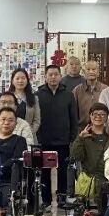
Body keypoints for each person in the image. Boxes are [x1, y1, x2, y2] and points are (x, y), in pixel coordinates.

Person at [37, 64, 79, 204]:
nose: (53, 77)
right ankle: (46, 201)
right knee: (45, 172)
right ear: (45, 77)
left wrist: (72, 138)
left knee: (62, 171)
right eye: (50, 74)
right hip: (44, 140)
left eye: (56, 74)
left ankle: (61, 198)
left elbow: (73, 119)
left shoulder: (68, 95)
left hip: (63, 141)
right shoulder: (38, 95)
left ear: (61, 76)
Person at [0, 106, 29, 198]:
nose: (6, 123)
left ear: (15, 123)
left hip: (7, 181)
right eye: (3, 119)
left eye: (10, 120)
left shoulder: (19, 140)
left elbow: (16, 158)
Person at [69, 102, 109, 182]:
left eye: (102, 114)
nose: (98, 116)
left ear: (107, 117)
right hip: (89, 180)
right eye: (95, 114)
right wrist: (80, 139)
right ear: (90, 115)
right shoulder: (84, 136)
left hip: (108, 178)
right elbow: (76, 156)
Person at [73, 60, 108, 129]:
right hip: (82, 128)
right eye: (88, 69)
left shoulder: (106, 89)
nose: (91, 72)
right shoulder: (77, 90)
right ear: (84, 73)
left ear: (98, 72)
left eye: (94, 69)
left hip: (102, 128)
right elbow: (73, 112)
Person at [8, 68, 41, 134]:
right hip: (9, 135)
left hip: (28, 135)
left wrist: (28, 133)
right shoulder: (7, 97)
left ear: (27, 81)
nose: (20, 81)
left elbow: (37, 121)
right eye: (17, 78)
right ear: (12, 81)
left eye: (23, 78)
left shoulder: (34, 98)